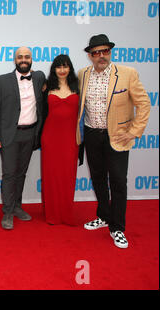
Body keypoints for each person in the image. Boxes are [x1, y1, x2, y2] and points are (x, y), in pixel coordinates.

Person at [77, 34, 150, 249]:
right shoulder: (83, 75)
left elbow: (144, 104)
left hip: (117, 136)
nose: (101, 56)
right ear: (90, 56)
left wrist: (134, 131)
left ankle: (117, 228)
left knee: (118, 181)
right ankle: (103, 216)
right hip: (91, 134)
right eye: (96, 52)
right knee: (98, 178)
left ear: (110, 52)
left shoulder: (127, 74)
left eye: (105, 51)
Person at [0, 47, 46, 230]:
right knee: (9, 174)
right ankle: (7, 212)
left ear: (31, 59)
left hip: (30, 134)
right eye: (20, 57)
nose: (23, 59)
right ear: (15, 60)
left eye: (27, 57)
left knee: (21, 173)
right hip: (9, 135)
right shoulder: (3, 80)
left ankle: (17, 207)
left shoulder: (39, 78)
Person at [41, 54, 80, 226]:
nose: (62, 70)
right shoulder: (46, 87)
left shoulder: (78, 86)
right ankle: (52, 215)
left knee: (68, 176)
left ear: (70, 68)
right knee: (51, 177)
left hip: (71, 138)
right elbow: (40, 111)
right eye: (59, 67)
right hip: (50, 138)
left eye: (65, 66)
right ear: (54, 69)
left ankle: (66, 214)